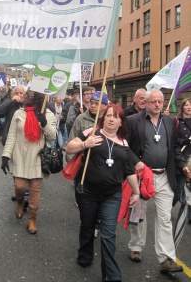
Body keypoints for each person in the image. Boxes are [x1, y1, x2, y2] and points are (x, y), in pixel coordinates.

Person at [66, 104, 140, 281]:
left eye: (115, 116)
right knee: (88, 225)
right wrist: (85, 144)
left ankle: (111, 276)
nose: (111, 119)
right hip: (88, 192)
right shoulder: (93, 132)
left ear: (121, 122)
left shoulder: (124, 143)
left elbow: (129, 170)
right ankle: (85, 254)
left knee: (108, 235)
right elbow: (69, 147)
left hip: (112, 196)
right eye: (108, 115)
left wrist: (136, 192)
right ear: (103, 118)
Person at [126, 89, 183, 274]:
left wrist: (182, 166)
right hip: (142, 177)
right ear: (146, 103)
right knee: (139, 214)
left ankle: (166, 258)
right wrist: (137, 162)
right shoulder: (134, 121)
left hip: (164, 176)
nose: (157, 104)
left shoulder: (169, 121)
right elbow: (126, 147)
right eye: (153, 102)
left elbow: (173, 147)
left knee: (165, 218)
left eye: (160, 101)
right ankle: (136, 246)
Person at [1, 91, 56, 234]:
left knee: (35, 192)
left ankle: (32, 219)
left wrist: (43, 123)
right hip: (19, 156)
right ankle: (20, 202)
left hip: (37, 157)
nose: (31, 97)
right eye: (29, 95)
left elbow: (52, 137)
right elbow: (12, 135)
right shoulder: (19, 113)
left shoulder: (48, 114)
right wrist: (5, 156)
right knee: (19, 187)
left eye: (35, 95)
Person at [175, 97, 191, 222]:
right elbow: (174, 140)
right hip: (183, 157)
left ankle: (188, 216)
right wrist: (185, 141)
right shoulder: (177, 121)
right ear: (182, 107)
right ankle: (169, 205)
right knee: (179, 187)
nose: (189, 107)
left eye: (190, 105)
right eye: (186, 105)